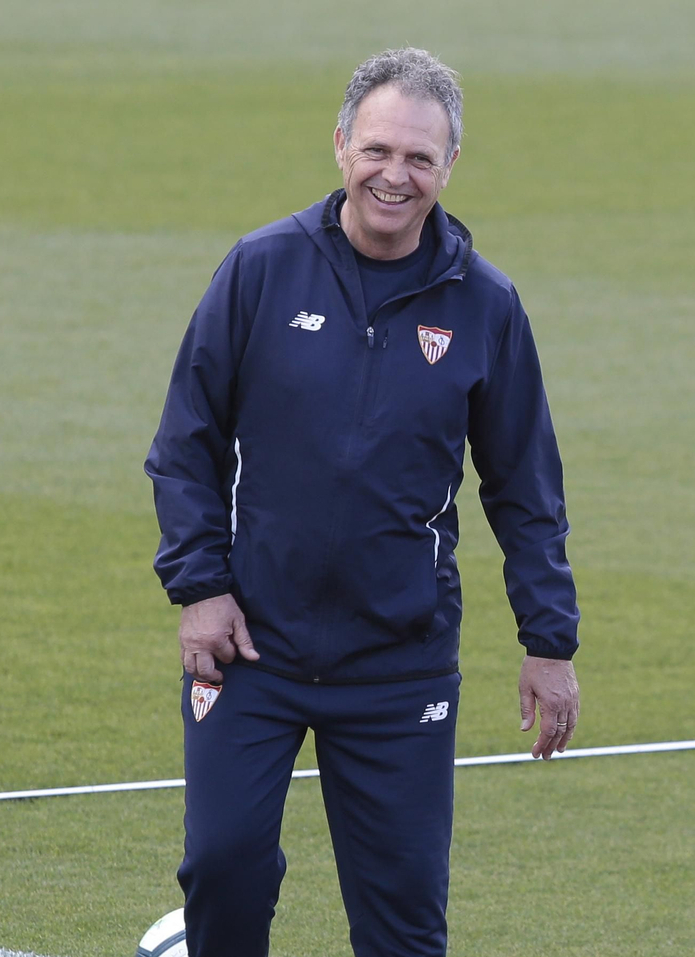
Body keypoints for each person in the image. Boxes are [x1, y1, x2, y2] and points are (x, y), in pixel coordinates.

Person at [144, 47, 581, 957]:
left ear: (450, 166)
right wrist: (199, 587)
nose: (397, 174)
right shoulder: (261, 270)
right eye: (379, 149)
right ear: (341, 143)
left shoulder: (486, 305)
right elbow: (186, 439)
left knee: (403, 923)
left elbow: (525, 487)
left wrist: (549, 642)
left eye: (421, 157)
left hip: (399, 664)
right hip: (251, 647)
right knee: (223, 867)